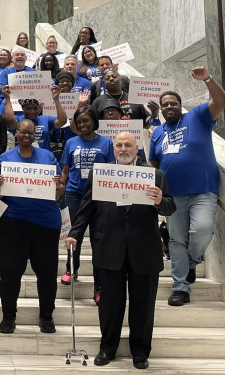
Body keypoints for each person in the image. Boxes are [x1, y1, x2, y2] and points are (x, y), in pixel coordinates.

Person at [67, 132, 175, 369]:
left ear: (137, 148)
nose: (123, 149)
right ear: (113, 148)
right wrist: (74, 234)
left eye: (128, 145)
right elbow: (86, 209)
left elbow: (170, 206)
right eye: (119, 145)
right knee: (109, 304)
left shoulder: (155, 175)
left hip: (144, 249)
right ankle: (107, 348)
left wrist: (159, 201)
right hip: (108, 247)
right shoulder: (99, 174)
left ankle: (140, 352)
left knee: (143, 304)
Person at [149, 66, 225, 307]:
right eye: (165, 104)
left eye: (173, 103)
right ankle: (180, 287)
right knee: (176, 240)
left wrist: (208, 79)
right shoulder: (158, 132)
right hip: (173, 196)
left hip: (203, 189)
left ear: (180, 106)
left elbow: (221, 101)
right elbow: (153, 162)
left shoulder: (197, 117)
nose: (169, 107)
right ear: (160, 109)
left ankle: (192, 261)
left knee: (202, 229)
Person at [0, 118, 62, 334]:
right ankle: (8, 317)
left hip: (46, 222)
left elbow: (61, 188)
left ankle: (46, 316)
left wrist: (58, 185)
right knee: (10, 272)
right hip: (13, 222)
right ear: (16, 133)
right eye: (23, 132)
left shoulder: (48, 157)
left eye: (31, 133)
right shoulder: (5, 158)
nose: (27, 136)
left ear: (35, 135)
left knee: (47, 273)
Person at [59, 106, 115, 302]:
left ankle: (99, 285)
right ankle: (71, 269)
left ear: (94, 122)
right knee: (74, 235)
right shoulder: (71, 142)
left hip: (99, 196)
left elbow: (111, 171)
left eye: (86, 121)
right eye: (79, 121)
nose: (83, 124)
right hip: (74, 194)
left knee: (98, 241)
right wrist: (61, 189)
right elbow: (66, 170)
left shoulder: (107, 143)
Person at [1, 86, 67, 151]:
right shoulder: (18, 120)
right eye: (28, 108)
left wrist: (56, 99)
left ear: (39, 108)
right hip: (22, 158)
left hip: (42, 158)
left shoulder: (45, 119)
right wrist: (7, 98)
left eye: (35, 108)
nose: (32, 111)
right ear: (22, 108)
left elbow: (62, 121)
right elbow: (9, 120)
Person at [91, 68, 159, 128]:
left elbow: (146, 125)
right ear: (104, 83)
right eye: (107, 78)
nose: (111, 79)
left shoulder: (134, 99)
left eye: (114, 77)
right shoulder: (97, 102)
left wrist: (154, 114)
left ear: (121, 80)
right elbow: (93, 126)